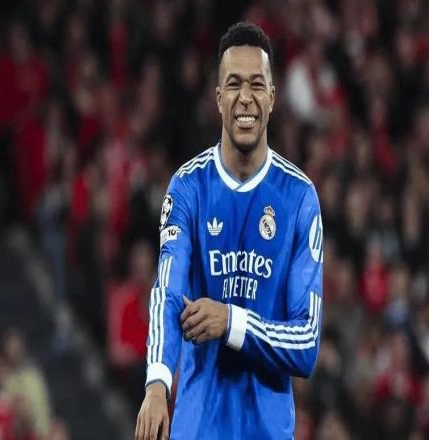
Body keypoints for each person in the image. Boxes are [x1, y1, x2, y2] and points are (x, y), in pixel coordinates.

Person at [135, 22, 323, 440]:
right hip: (198, 427)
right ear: (219, 98)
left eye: (257, 84)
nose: (245, 98)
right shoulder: (188, 187)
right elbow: (167, 290)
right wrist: (157, 382)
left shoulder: (299, 198)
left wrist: (232, 322)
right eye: (234, 84)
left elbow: (307, 342)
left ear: (272, 97)